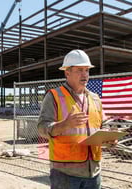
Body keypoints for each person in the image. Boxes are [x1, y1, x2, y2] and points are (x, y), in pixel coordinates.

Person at [37, 49, 113, 189]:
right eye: (79, 70)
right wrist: (64, 125)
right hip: (65, 173)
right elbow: (42, 128)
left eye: (87, 70)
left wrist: (108, 135)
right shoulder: (54, 96)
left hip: (93, 172)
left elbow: (103, 124)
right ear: (67, 72)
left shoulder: (95, 98)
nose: (84, 74)